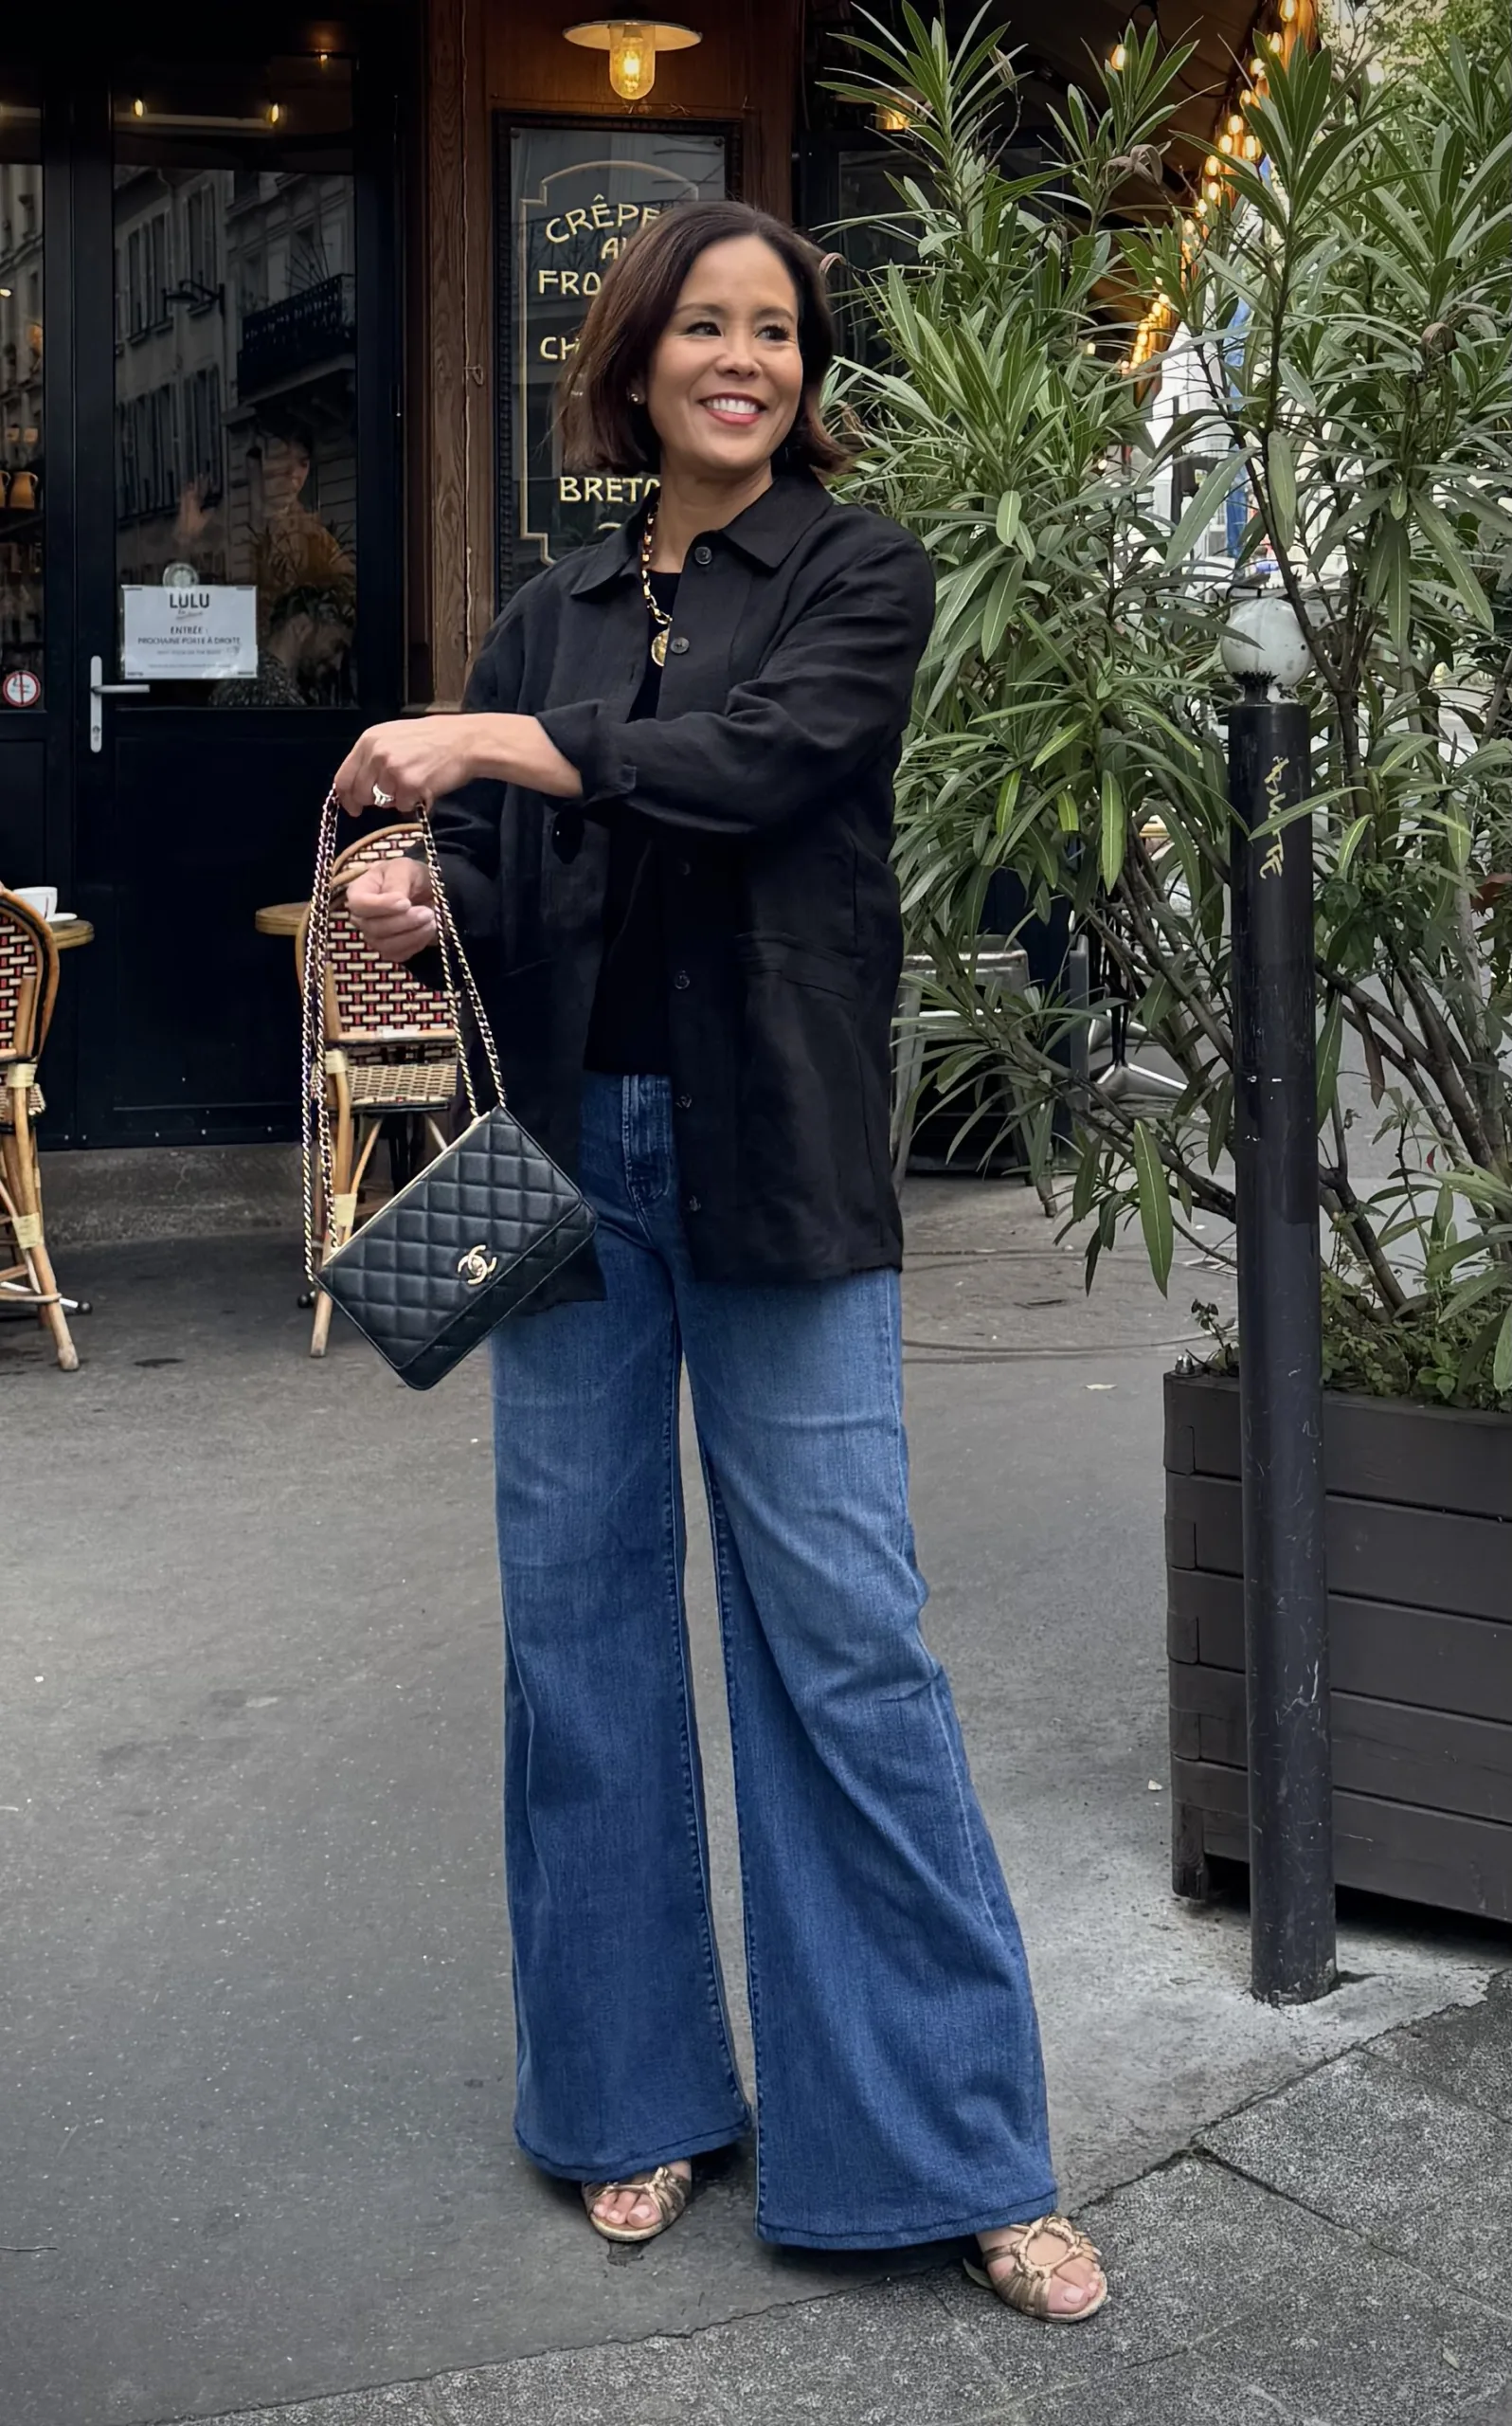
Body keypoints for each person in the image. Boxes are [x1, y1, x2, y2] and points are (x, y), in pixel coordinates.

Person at [332, 199, 1107, 2325]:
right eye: (707, 325)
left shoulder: (858, 575)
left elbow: (761, 771)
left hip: (776, 1165)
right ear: (639, 359)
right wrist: (427, 889)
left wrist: (487, 749)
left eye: (776, 330)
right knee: (576, 1625)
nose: (742, 357)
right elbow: (506, 876)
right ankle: (629, 2094)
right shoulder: (555, 608)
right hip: (571, 1166)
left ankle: (949, 2143)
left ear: (806, 373)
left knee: (848, 1633)